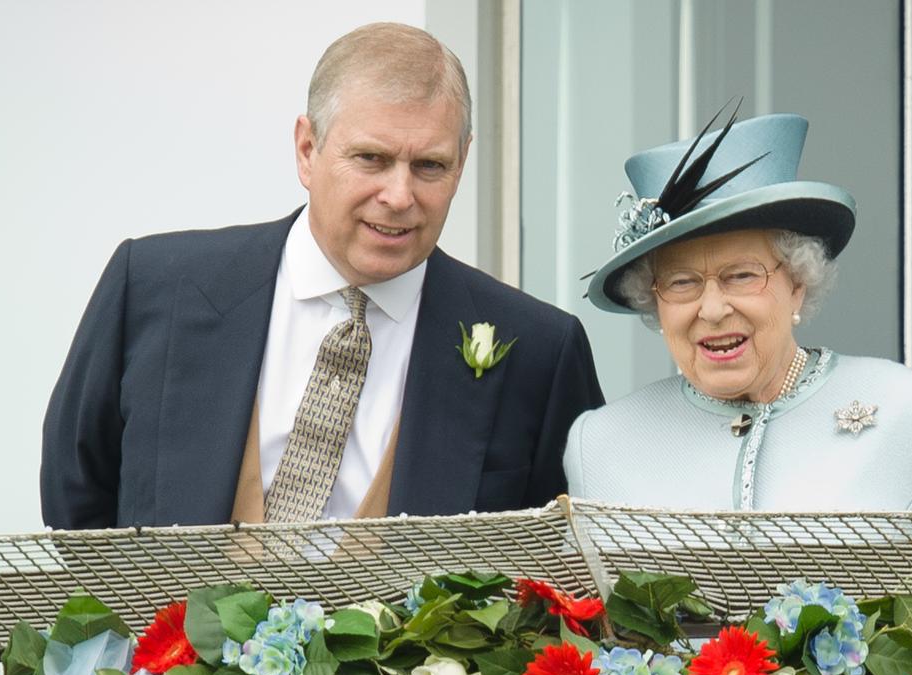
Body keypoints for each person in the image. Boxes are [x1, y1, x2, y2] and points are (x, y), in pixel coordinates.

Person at [41, 22, 603, 529]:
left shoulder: (541, 352)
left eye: (430, 165)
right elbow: (76, 497)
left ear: (463, 161)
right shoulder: (153, 287)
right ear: (307, 150)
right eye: (372, 159)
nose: (400, 196)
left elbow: (558, 564)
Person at [564, 108, 912, 511]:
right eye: (682, 283)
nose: (712, 309)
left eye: (742, 275)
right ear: (654, 302)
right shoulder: (600, 445)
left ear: (797, 282)